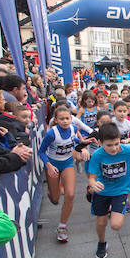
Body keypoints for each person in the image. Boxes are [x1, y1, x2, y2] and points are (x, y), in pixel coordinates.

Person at [86, 123, 130, 258]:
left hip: (121, 190)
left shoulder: (126, 149)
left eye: (116, 143)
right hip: (102, 192)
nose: (114, 148)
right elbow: (92, 177)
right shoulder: (97, 155)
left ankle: (115, 207)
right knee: (101, 222)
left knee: (115, 225)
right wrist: (92, 184)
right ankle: (102, 243)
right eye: (109, 145)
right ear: (100, 143)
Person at [38, 104, 92, 242]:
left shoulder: (73, 128)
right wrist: (48, 165)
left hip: (67, 163)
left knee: (70, 194)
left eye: (67, 118)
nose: (65, 121)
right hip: (53, 164)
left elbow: (73, 141)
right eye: (62, 119)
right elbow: (41, 152)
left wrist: (83, 145)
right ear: (56, 120)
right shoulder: (51, 133)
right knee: (55, 198)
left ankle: (62, 226)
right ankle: (52, 192)